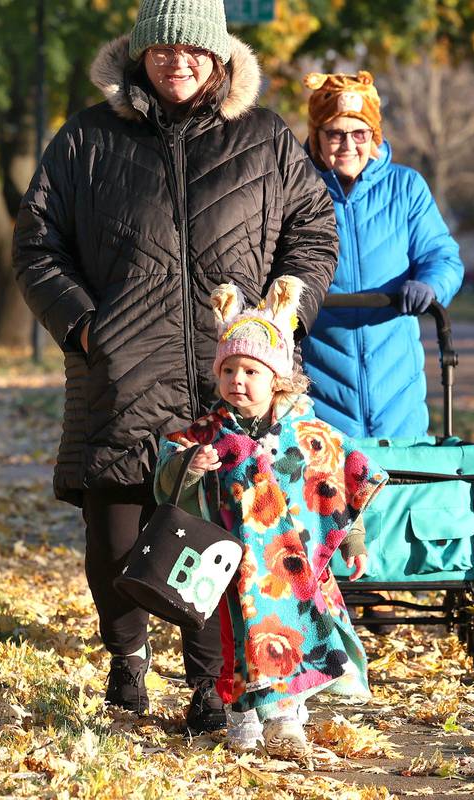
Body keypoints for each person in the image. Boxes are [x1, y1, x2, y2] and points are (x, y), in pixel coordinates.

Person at [12, 0, 339, 735]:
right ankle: (127, 659)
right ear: (139, 55)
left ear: (219, 57)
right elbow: (37, 242)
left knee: (215, 536)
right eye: (160, 49)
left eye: (191, 50)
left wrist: (282, 318)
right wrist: (85, 326)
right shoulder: (87, 139)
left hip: (229, 382)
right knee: (117, 541)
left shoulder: (265, 139)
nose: (176, 62)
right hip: (122, 373)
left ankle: (209, 688)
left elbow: (312, 232)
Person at [155, 276, 388, 758]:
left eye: (250, 371)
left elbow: (339, 481)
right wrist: (190, 466)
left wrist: (353, 541)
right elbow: (165, 475)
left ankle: (286, 720)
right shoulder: (208, 433)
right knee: (236, 639)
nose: (237, 381)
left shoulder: (308, 434)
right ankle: (241, 716)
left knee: (293, 632)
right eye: (228, 371)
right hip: (233, 563)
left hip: (292, 564)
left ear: (277, 378)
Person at [300, 71, 464, 439]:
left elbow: (442, 255)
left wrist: (429, 285)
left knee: (399, 484)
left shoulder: (405, 187)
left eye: (359, 133)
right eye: (335, 133)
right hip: (320, 381)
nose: (347, 144)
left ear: (373, 137)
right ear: (317, 138)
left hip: (396, 385)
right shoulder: (298, 190)